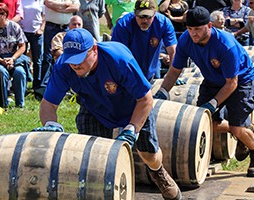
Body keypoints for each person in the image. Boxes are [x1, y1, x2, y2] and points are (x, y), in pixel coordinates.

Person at [33, 28, 182, 200]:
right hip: (95, 109)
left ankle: (158, 173)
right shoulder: (63, 67)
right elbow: (48, 104)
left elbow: (146, 99)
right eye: (70, 59)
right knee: (92, 157)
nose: (74, 65)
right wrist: (51, 124)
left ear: (94, 50)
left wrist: (132, 129)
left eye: (79, 58)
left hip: (133, 107)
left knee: (149, 155)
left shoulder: (118, 59)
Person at [154, 6, 254, 177]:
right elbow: (175, 70)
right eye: (190, 29)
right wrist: (162, 92)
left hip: (240, 81)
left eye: (198, 29)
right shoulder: (186, 40)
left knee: (237, 128)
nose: (193, 33)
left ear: (209, 26)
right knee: (204, 122)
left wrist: (214, 102)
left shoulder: (225, 44)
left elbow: (232, 83)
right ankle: (245, 129)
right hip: (213, 81)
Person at [112, 0, 177, 81]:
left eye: (148, 17)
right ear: (135, 13)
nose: (145, 21)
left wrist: (172, 76)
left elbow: (173, 51)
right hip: (128, 73)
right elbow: (117, 55)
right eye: (141, 17)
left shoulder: (163, 23)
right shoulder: (124, 25)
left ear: (154, 13)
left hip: (151, 69)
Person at [0, 3, 29, 108]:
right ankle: (3, 104)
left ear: (4, 15)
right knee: (2, 73)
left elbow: (22, 46)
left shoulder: (15, 27)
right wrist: (0, 60)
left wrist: (13, 58)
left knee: (20, 72)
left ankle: (20, 104)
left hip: (13, 57)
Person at [37, 0, 80, 99]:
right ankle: (44, 86)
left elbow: (76, 7)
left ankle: (66, 85)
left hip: (66, 28)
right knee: (48, 56)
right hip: (51, 26)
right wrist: (66, 4)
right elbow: (48, 3)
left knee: (68, 56)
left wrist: (58, 7)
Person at [21, 0, 46, 95]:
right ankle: (24, 83)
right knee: (22, 59)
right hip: (23, 32)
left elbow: (44, 16)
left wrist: (41, 29)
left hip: (36, 33)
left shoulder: (40, 1)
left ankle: (37, 85)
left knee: (37, 60)